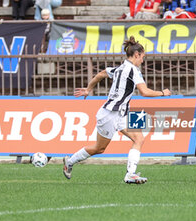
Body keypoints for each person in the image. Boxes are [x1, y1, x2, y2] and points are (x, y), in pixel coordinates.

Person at [63, 36, 171, 184]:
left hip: (121, 114)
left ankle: (130, 174)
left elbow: (101, 74)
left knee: (138, 138)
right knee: (99, 148)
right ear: (137, 55)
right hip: (109, 114)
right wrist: (163, 93)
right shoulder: (133, 70)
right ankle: (70, 161)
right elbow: (144, 92)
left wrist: (89, 89)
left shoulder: (119, 68)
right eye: (142, 57)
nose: (142, 61)